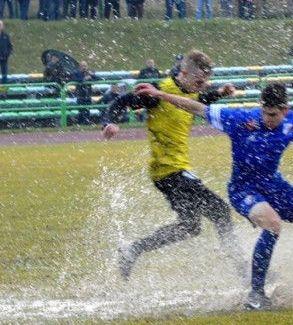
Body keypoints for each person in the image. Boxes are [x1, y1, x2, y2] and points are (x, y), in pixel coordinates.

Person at [133, 81, 293, 310]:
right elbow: (196, 107)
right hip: (243, 188)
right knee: (272, 225)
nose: (269, 119)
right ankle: (256, 294)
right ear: (261, 107)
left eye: (274, 114)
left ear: (285, 110)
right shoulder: (240, 119)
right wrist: (160, 94)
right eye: (266, 113)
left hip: (275, 185)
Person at [102, 50, 244, 281]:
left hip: (169, 172)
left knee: (190, 227)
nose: (202, 86)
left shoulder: (191, 92)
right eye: (199, 81)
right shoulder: (158, 91)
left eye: (205, 82)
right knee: (220, 211)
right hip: (170, 170)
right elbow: (121, 101)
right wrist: (109, 122)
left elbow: (199, 100)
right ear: (184, 72)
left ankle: (133, 249)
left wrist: (219, 93)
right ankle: (241, 267)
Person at [70, 60, 98, 125]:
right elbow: (74, 80)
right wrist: (83, 79)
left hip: (88, 94)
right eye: (83, 66)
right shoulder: (76, 73)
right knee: (81, 110)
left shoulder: (90, 72)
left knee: (87, 110)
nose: (84, 67)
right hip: (80, 94)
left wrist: (92, 75)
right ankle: (80, 123)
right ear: (80, 66)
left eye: (85, 66)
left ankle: (87, 123)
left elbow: (97, 78)